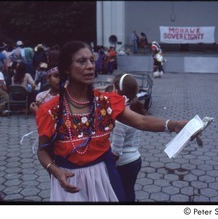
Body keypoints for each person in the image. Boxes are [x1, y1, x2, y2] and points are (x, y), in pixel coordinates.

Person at [35, 41, 190, 202]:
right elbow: (42, 151)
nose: (90, 66)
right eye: (82, 61)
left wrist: (174, 125)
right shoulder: (51, 110)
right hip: (68, 181)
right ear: (67, 68)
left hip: (104, 178)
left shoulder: (105, 102)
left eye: (92, 60)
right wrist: (55, 171)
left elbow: (142, 121)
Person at [109, 73, 146, 202]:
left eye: (113, 88)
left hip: (124, 164)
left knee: (121, 196)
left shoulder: (121, 119)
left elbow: (116, 152)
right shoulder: (134, 110)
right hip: (135, 159)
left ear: (117, 91)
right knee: (129, 193)